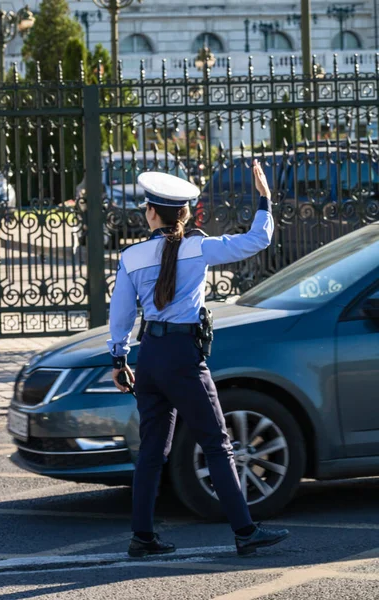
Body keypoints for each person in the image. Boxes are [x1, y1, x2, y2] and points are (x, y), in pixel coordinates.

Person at [107, 161, 289, 558]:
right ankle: (244, 531)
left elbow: (120, 315)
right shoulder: (199, 247)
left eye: (146, 208)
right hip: (183, 358)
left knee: (152, 451)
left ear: (153, 212)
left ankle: (142, 537)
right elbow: (257, 239)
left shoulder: (132, 257)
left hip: (150, 356)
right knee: (216, 443)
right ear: (185, 213)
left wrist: (119, 359)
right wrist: (264, 198)